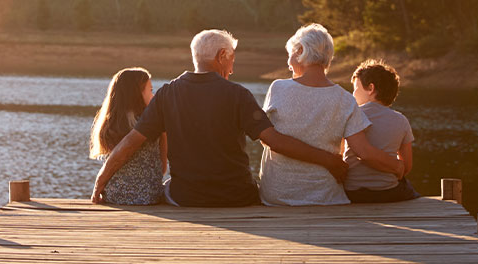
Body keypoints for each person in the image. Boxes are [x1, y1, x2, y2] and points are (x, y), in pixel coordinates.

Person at [91, 29, 348, 207]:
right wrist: (330, 160)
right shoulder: (238, 94)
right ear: (221, 56)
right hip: (238, 197)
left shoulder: (167, 93)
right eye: (232, 59)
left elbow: (130, 143)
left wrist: (100, 183)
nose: (233, 68)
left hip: (186, 198)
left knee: (168, 186)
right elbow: (274, 141)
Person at [259, 23, 404, 206]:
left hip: (277, 196)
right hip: (324, 197)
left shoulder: (278, 88)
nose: (288, 65)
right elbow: (364, 152)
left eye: (290, 56)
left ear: (301, 51)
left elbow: (266, 139)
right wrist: (397, 166)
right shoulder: (345, 99)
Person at [343, 59, 421, 203]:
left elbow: (341, 156)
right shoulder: (401, 120)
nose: (353, 94)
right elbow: (407, 167)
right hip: (388, 192)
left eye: (355, 88)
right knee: (408, 188)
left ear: (370, 88)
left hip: (352, 193)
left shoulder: (350, 115)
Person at [89, 67, 167, 205]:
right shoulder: (151, 124)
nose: (153, 96)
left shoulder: (109, 124)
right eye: (150, 90)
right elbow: (162, 168)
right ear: (136, 94)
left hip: (115, 195)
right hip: (148, 197)